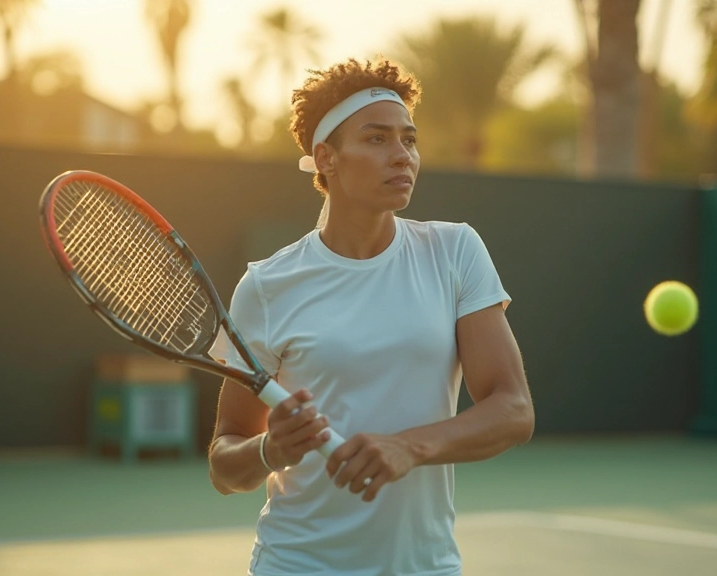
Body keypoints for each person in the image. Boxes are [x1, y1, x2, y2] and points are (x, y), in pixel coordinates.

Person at [208, 57, 534, 575]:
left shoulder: (455, 251)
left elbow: (514, 410)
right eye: (377, 139)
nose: (402, 156)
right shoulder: (267, 286)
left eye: (409, 139)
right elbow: (225, 465)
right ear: (326, 158)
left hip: (427, 566)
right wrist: (272, 448)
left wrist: (409, 447)